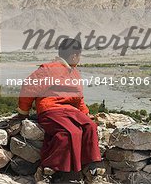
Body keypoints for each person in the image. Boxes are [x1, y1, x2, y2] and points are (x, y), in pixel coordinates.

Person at [13, 38, 105, 183]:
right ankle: (51, 168)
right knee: (71, 132)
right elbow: (29, 87)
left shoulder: (74, 73)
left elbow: (78, 99)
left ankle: (89, 166)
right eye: (79, 56)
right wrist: (23, 112)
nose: (79, 59)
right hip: (50, 109)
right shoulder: (48, 69)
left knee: (90, 126)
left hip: (69, 110)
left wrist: (86, 114)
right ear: (74, 55)